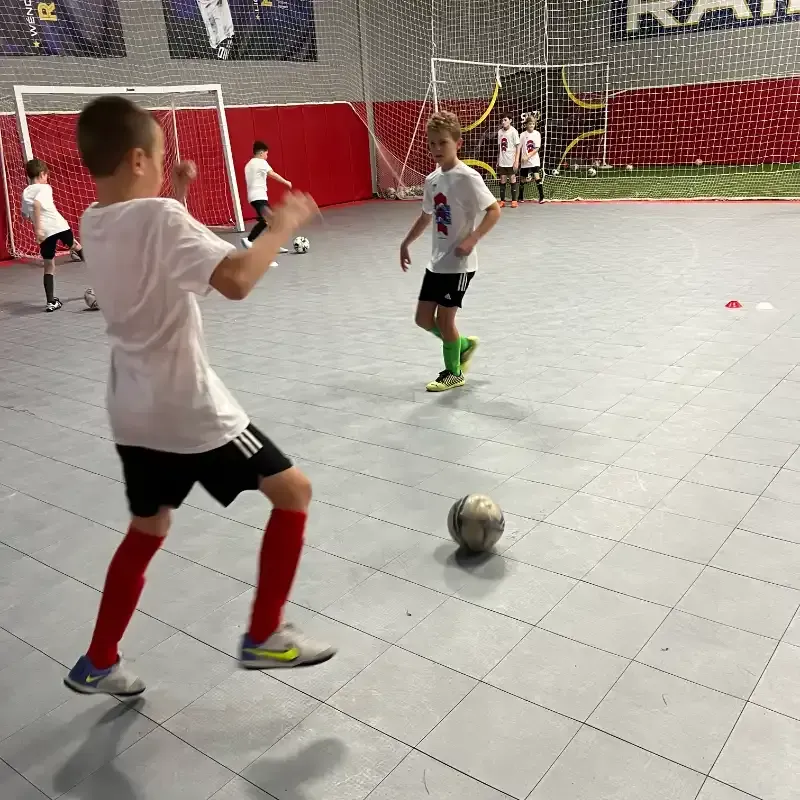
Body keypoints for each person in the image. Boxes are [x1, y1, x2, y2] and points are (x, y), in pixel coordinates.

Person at [63, 95, 334, 697]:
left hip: (131, 410)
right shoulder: (159, 218)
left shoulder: (93, 221)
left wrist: (177, 196)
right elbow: (235, 279)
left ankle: (99, 660)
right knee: (293, 492)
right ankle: (264, 634)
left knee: (148, 528)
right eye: (161, 159)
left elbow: (151, 245)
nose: (166, 168)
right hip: (187, 407)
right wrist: (280, 226)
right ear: (138, 159)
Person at [400, 111, 500, 392]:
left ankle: (453, 372)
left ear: (458, 143)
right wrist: (405, 243)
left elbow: (494, 211)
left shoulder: (468, 178)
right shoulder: (432, 179)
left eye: (442, 143)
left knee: (445, 321)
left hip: (459, 264)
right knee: (422, 319)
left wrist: (473, 239)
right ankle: (464, 345)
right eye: (431, 144)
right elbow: (425, 216)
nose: (436, 149)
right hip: (437, 263)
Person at [21, 158, 85, 312]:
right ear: (43, 174)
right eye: (47, 175)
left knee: (49, 265)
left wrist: (38, 227)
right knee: (76, 246)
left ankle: (51, 302)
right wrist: (38, 229)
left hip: (46, 234)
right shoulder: (45, 188)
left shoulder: (25, 192)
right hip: (59, 226)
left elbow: (25, 214)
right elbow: (37, 204)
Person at [242, 141, 292, 263]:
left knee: (272, 220)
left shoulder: (248, 164)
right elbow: (272, 174)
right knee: (268, 219)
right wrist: (286, 182)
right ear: (261, 153)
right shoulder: (261, 162)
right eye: (266, 154)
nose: (267, 156)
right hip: (259, 196)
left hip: (254, 197)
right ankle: (249, 239)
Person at [519, 114, 544, 204]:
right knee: (522, 179)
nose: (531, 126)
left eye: (533, 124)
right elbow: (519, 147)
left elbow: (537, 148)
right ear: (526, 124)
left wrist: (528, 156)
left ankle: (541, 197)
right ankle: (520, 196)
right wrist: (520, 158)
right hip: (524, 161)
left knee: (537, 176)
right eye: (530, 124)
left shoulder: (537, 134)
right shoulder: (522, 135)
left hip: (534, 160)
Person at [496, 115, 520, 208]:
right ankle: (502, 201)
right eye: (502, 120)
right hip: (502, 160)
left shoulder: (514, 132)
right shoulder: (500, 132)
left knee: (512, 179)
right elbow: (499, 147)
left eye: (505, 120)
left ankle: (514, 200)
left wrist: (516, 161)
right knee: (502, 179)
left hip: (511, 160)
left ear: (510, 120)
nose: (503, 122)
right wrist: (498, 159)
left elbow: (518, 147)